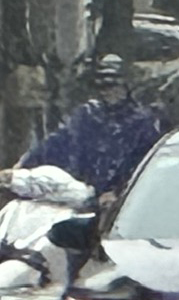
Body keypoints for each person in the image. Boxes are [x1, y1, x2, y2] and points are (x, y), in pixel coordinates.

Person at [21, 54, 169, 196]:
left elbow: (147, 165)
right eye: (101, 87)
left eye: (111, 86)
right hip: (83, 196)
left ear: (125, 86)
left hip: (123, 201)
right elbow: (57, 142)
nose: (106, 92)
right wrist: (23, 166)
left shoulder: (142, 122)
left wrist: (117, 192)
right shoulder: (87, 115)